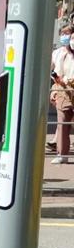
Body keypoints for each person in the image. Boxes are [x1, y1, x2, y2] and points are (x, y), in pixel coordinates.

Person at [51, 24, 74, 164]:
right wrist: (55, 88)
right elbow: (54, 72)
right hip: (63, 91)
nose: (68, 38)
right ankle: (62, 154)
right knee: (62, 123)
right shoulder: (60, 54)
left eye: (69, 35)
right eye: (64, 35)